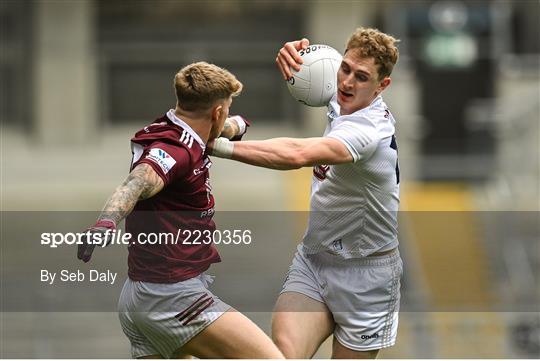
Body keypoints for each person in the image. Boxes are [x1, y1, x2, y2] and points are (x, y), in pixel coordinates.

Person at [210, 28, 403, 359]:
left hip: (367, 277)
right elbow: (317, 73)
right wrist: (300, 56)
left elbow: (297, 154)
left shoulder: (369, 131)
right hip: (314, 261)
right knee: (281, 356)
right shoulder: (342, 91)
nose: (347, 82)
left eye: (361, 76)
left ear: (381, 86)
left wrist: (216, 146)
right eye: (345, 68)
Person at [77, 61, 284, 359]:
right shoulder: (175, 150)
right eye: (224, 109)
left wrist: (237, 124)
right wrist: (106, 222)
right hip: (171, 296)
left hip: (139, 297)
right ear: (216, 111)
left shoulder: (178, 125)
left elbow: (222, 128)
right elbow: (137, 182)